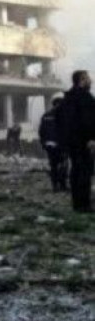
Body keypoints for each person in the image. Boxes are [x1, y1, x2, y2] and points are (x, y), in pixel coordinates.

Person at [58, 70, 95, 213]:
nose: (90, 81)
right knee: (84, 172)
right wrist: (91, 138)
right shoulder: (85, 97)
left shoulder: (68, 98)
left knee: (76, 171)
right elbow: (88, 121)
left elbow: (62, 121)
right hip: (83, 141)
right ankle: (84, 205)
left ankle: (77, 204)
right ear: (82, 80)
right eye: (88, 78)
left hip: (72, 142)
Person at [39, 93, 67, 192]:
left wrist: (43, 144)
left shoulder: (46, 116)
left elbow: (41, 132)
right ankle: (62, 185)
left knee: (54, 166)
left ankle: (55, 186)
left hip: (50, 145)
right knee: (63, 165)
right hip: (61, 145)